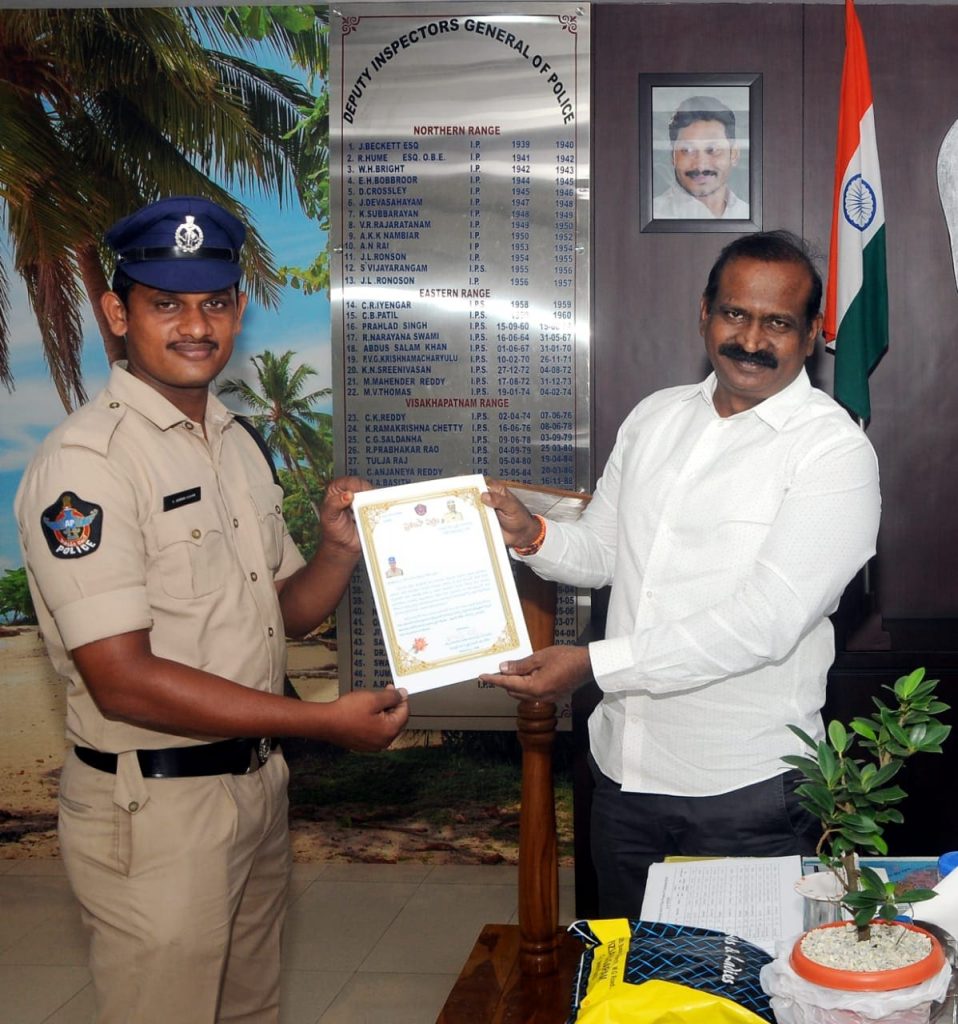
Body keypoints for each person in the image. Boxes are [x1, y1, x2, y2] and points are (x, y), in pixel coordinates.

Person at [14, 196, 409, 1024]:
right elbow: (123, 681)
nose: (197, 326)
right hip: (156, 815)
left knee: (247, 1013)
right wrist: (324, 724)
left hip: (254, 793)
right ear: (119, 315)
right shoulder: (87, 467)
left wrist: (336, 548)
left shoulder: (234, 442)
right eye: (167, 304)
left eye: (216, 303)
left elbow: (280, 617)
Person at [481, 230, 880, 916]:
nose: (751, 338)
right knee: (633, 1001)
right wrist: (534, 535)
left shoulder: (834, 453)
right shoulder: (654, 418)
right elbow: (604, 553)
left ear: (812, 334)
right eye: (735, 314)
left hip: (745, 793)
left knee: (740, 1010)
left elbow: (763, 624)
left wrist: (592, 665)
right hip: (623, 779)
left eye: (778, 322)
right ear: (704, 313)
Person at [653, 95, 750, 220]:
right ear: (673, 156)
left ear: (734, 154)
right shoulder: (654, 215)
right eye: (687, 150)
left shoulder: (748, 215)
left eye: (713, 150)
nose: (700, 165)